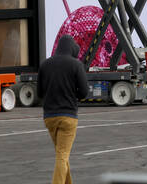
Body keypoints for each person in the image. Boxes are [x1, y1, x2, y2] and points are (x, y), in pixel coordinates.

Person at [38, 35, 89, 184]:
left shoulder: (45, 65)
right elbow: (84, 92)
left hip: (49, 117)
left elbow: (40, 92)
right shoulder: (76, 65)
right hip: (68, 116)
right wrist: (74, 95)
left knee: (62, 154)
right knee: (62, 155)